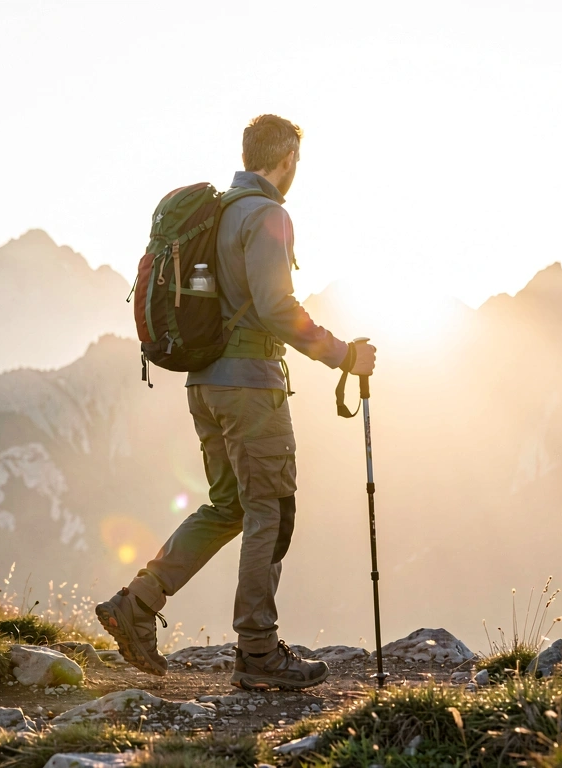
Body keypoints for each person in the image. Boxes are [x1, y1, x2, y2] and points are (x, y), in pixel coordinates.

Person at [97, 115, 377, 690]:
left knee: (228, 506)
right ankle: (258, 651)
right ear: (287, 160)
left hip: (204, 383)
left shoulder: (217, 211)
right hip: (250, 386)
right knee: (269, 510)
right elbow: (277, 308)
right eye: (297, 161)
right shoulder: (268, 214)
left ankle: (138, 602)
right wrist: (344, 355)